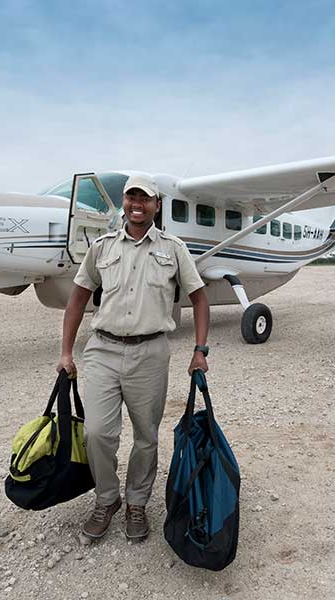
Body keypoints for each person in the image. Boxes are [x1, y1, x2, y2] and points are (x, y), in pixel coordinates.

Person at [56, 173, 210, 542]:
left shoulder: (173, 249)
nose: (136, 204)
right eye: (131, 197)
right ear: (124, 203)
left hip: (150, 352)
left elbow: (200, 298)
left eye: (145, 198)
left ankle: (137, 503)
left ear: (157, 206)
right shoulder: (102, 247)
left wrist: (200, 351)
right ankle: (107, 499)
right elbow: (78, 298)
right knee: (97, 432)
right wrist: (65, 351)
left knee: (146, 436)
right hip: (103, 350)